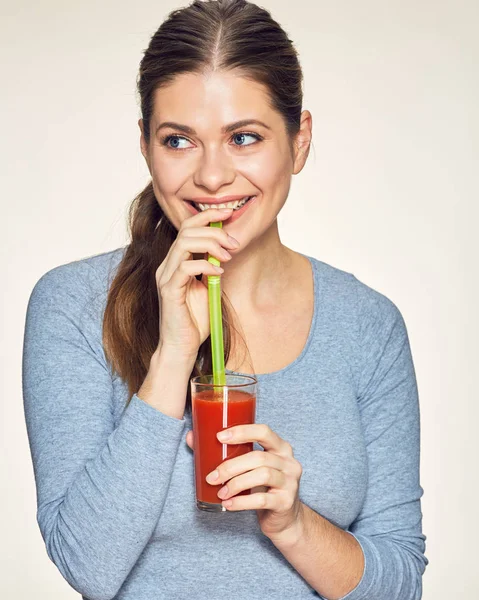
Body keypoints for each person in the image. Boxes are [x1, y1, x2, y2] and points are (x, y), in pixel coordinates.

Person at [22, 1, 428, 598]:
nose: (212, 177)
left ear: (300, 141)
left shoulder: (368, 325)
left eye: (244, 137)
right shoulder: (73, 307)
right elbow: (88, 565)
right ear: (145, 145)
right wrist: (170, 359)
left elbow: (401, 584)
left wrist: (292, 524)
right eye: (179, 140)